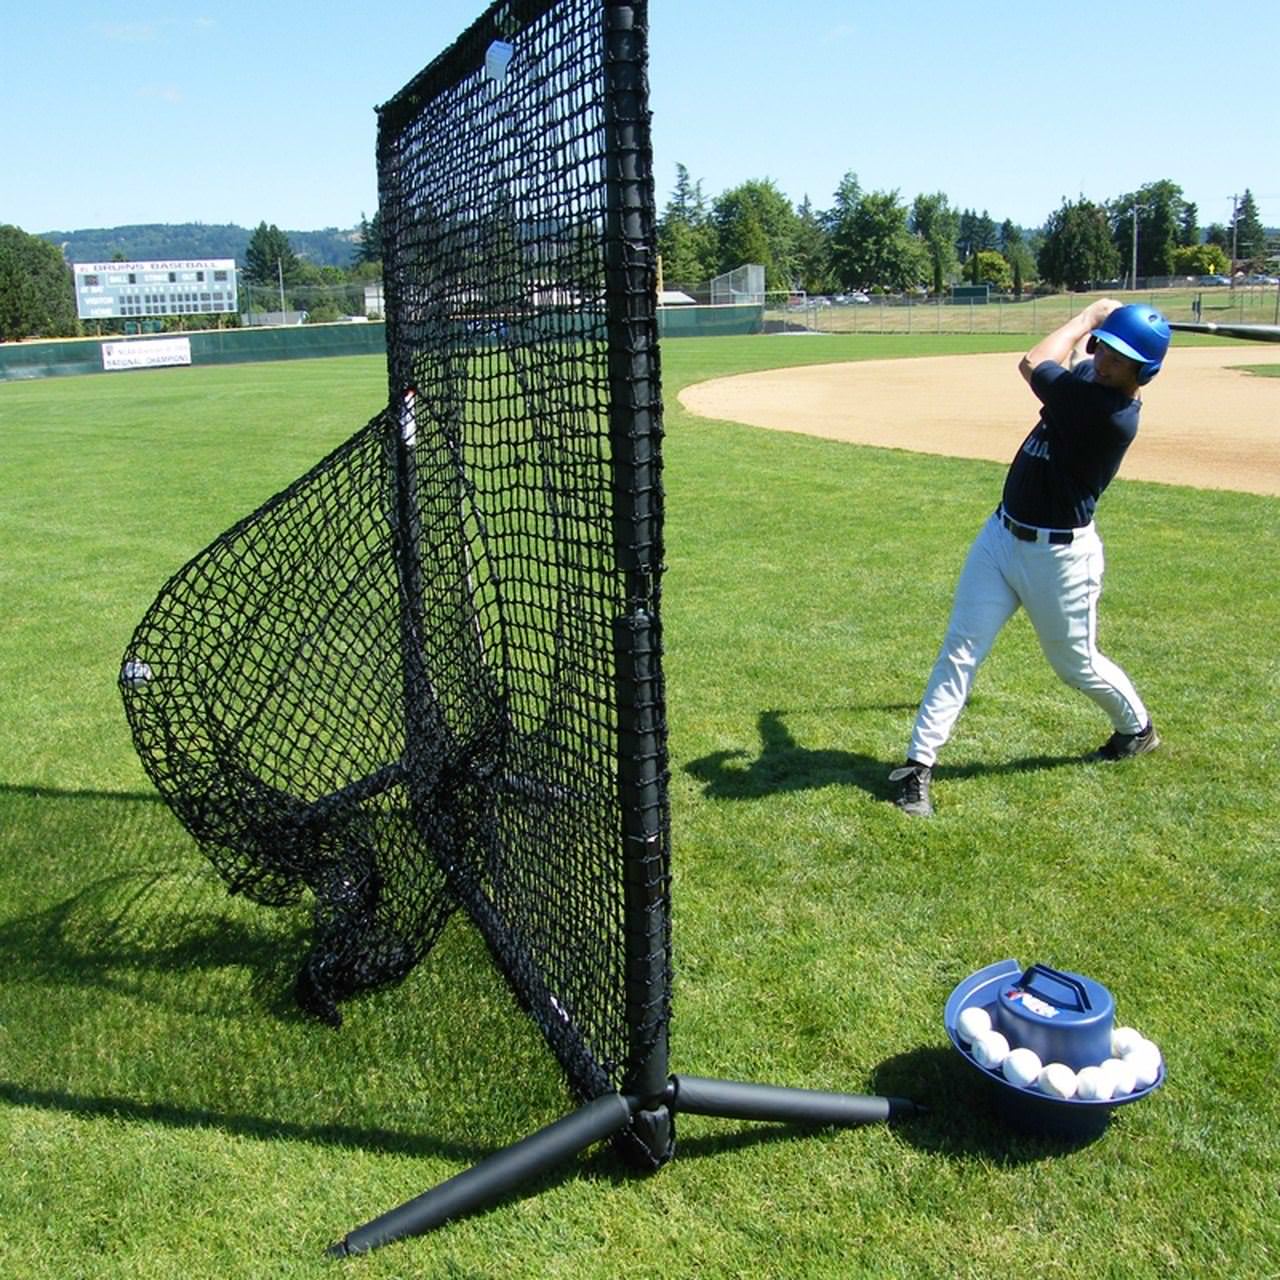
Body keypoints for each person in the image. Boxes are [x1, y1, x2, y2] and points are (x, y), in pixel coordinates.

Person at [890, 300, 1172, 817]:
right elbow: (1068, 366)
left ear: (1144, 373)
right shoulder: (1090, 383)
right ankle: (917, 767)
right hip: (1000, 538)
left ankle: (1137, 730)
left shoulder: (1108, 415)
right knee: (960, 649)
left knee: (1077, 665)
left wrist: (1091, 316)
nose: (1106, 360)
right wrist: (1107, 332)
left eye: (1121, 357)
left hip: (1059, 561)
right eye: (1105, 348)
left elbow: (1034, 360)